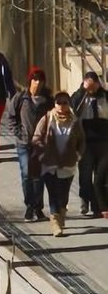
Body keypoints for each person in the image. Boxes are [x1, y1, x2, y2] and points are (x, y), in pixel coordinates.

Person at [32, 90, 85, 237]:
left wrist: (78, 155)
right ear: (54, 104)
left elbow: (82, 141)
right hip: (50, 164)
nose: (61, 105)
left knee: (64, 194)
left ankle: (61, 214)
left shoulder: (75, 121)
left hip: (68, 164)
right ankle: (55, 223)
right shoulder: (48, 118)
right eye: (58, 102)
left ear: (69, 104)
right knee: (53, 194)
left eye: (64, 102)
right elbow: (36, 137)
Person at [8, 67, 53, 222]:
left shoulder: (48, 100)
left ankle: (38, 208)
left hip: (41, 144)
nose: (38, 83)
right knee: (27, 174)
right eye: (35, 79)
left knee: (39, 176)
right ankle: (29, 206)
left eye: (40, 80)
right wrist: (19, 134)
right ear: (30, 81)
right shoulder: (21, 98)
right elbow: (12, 117)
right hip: (24, 143)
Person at [71, 71, 108, 217]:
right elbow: (73, 107)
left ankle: (98, 205)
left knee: (101, 175)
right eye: (89, 85)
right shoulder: (80, 95)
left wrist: (100, 89)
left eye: (94, 86)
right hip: (85, 140)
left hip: (103, 140)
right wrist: (83, 91)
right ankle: (85, 199)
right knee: (85, 174)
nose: (92, 89)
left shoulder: (103, 96)